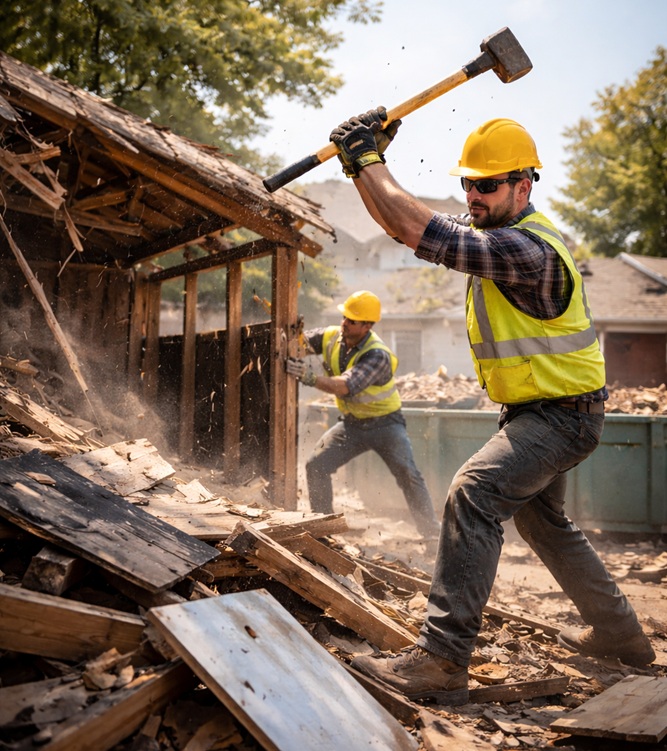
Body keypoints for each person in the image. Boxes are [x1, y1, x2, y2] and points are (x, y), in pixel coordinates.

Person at [325, 109, 655, 706]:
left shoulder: (526, 249)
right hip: (543, 412)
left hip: (562, 416)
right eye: (467, 185)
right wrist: (362, 167)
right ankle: (622, 638)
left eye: (488, 184)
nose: (473, 194)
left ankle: (443, 660)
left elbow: (418, 230)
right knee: (541, 520)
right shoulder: (495, 235)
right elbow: (405, 227)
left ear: (523, 186)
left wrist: (368, 159)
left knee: (473, 492)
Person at [285, 290, 441, 540]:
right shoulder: (331, 336)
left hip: (386, 427)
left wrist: (309, 377)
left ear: (367, 325)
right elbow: (296, 345)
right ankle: (323, 530)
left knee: (409, 476)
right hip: (352, 425)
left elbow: (345, 386)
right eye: (345, 317)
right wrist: (290, 332)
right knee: (316, 466)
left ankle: (432, 534)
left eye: (352, 320)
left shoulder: (377, 354)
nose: (344, 323)